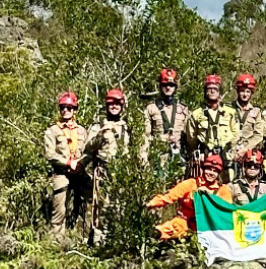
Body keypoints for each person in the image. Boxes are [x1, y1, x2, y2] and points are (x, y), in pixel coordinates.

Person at [84, 89, 131, 243]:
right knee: (101, 205)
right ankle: (99, 239)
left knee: (119, 204)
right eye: (111, 103)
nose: (114, 106)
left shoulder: (127, 127)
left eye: (117, 104)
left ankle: (116, 238)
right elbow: (88, 147)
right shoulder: (99, 126)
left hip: (121, 171)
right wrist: (100, 136)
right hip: (103, 169)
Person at [147, 154, 232, 240]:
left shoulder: (223, 190)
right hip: (185, 223)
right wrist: (150, 204)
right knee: (169, 228)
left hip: (208, 228)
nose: (211, 173)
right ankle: (153, 235)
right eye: (208, 169)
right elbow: (169, 197)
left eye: (215, 171)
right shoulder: (191, 184)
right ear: (203, 169)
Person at [44, 92, 90, 237]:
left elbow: (88, 150)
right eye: (62, 107)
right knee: (59, 210)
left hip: (80, 172)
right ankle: (56, 242)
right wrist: (68, 163)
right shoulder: (52, 131)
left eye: (69, 107)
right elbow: (50, 154)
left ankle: (84, 238)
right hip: (61, 173)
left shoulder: (82, 130)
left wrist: (82, 164)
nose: (65, 110)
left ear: (75, 110)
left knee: (86, 206)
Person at [184, 74, 240, 182]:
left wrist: (231, 151)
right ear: (205, 91)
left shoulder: (230, 113)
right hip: (205, 156)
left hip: (225, 156)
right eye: (209, 89)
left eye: (215, 89)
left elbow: (236, 134)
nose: (212, 91)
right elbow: (191, 138)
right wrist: (198, 152)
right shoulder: (196, 114)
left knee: (228, 186)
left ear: (220, 92)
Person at [141, 68, 189, 166]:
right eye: (165, 85)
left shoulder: (183, 110)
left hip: (179, 159)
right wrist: (144, 159)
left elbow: (190, 137)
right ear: (160, 86)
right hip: (157, 159)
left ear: (175, 87)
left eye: (171, 85)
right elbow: (145, 136)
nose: (168, 88)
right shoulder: (151, 108)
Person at [231, 73, 263, 159]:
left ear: (251, 93)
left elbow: (258, 135)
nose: (245, 94)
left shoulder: (256, 111)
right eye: (242, 91)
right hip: (231, 151)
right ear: (237, 91)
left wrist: (246, 149)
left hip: (249, 152)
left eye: (248, 91)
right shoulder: (228, 109)